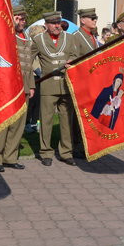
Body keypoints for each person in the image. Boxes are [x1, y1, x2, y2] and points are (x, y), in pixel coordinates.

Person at [0, 6, 35, 172]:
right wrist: (10, 24)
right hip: (7, 86)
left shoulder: (26, 37)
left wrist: (31, 86)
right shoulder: (6, 35)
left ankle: (10, 157)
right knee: (3, 123)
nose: (22, 22)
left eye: (23, 19)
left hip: (24, 86)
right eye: (19, 18)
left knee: (18, 124)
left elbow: (28, 65)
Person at [31, 11, 76, 166]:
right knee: (46, 120)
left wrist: (73, 60)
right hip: (48, 85)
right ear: (46, 25)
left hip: (66, 84)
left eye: (58, 22)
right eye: (53, 23)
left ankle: (66, 152)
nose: (57, 26)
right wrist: (34, 76)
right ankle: (45, 152)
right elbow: (28, 59)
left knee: (66, 120)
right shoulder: (38, 40)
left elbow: (77, 55)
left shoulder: (70, 38)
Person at [68, 7, 100, 158]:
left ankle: (86, 143)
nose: (95, 21)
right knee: (78, 115)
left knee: (89, 114)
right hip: (81, 81)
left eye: (95, 18)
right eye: (92, 18)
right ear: (82, 20)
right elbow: (73, 60)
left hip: (92, 81)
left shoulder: (92, 37)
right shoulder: (76, 36)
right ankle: (76, 146)